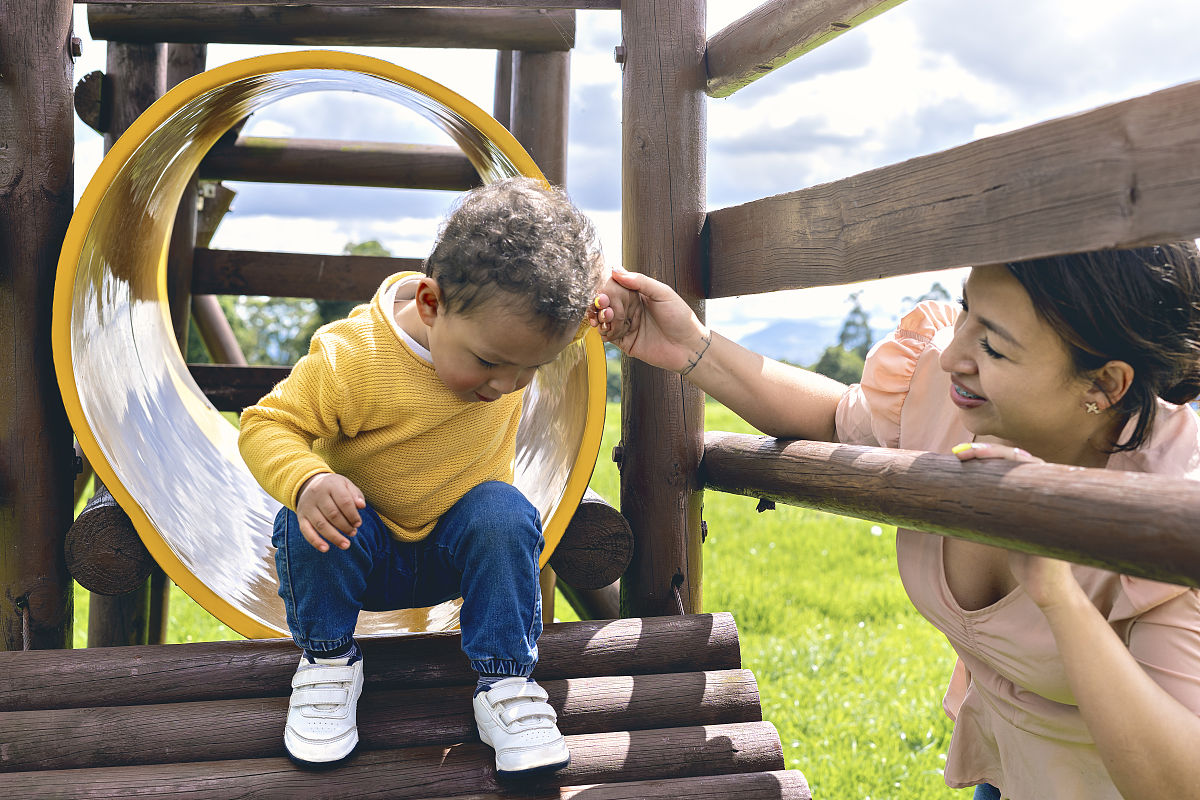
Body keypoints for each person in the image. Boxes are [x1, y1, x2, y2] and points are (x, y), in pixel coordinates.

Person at [591, 244, 1200, 799]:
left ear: (1105, 384)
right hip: (1004, 777)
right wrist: (691, 347)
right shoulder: (948, 398)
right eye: (966, 313)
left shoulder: (1170, 511)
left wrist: (1057, 593)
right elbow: (835, 420)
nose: (954, 355)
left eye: (992, 346)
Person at [239, 176, 604, 773]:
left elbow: (581, 288)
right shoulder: (355, 358)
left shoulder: (513, 326)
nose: (505, 386)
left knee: (504, 513)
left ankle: (504, 684)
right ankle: (329, 664)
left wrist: (602, 300)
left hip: (457, 560)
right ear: (431, 304)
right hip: (364, 555)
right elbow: (264, 424)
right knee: (312, 521)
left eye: (528, 370)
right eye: (488, 362)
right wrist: (306, 481)